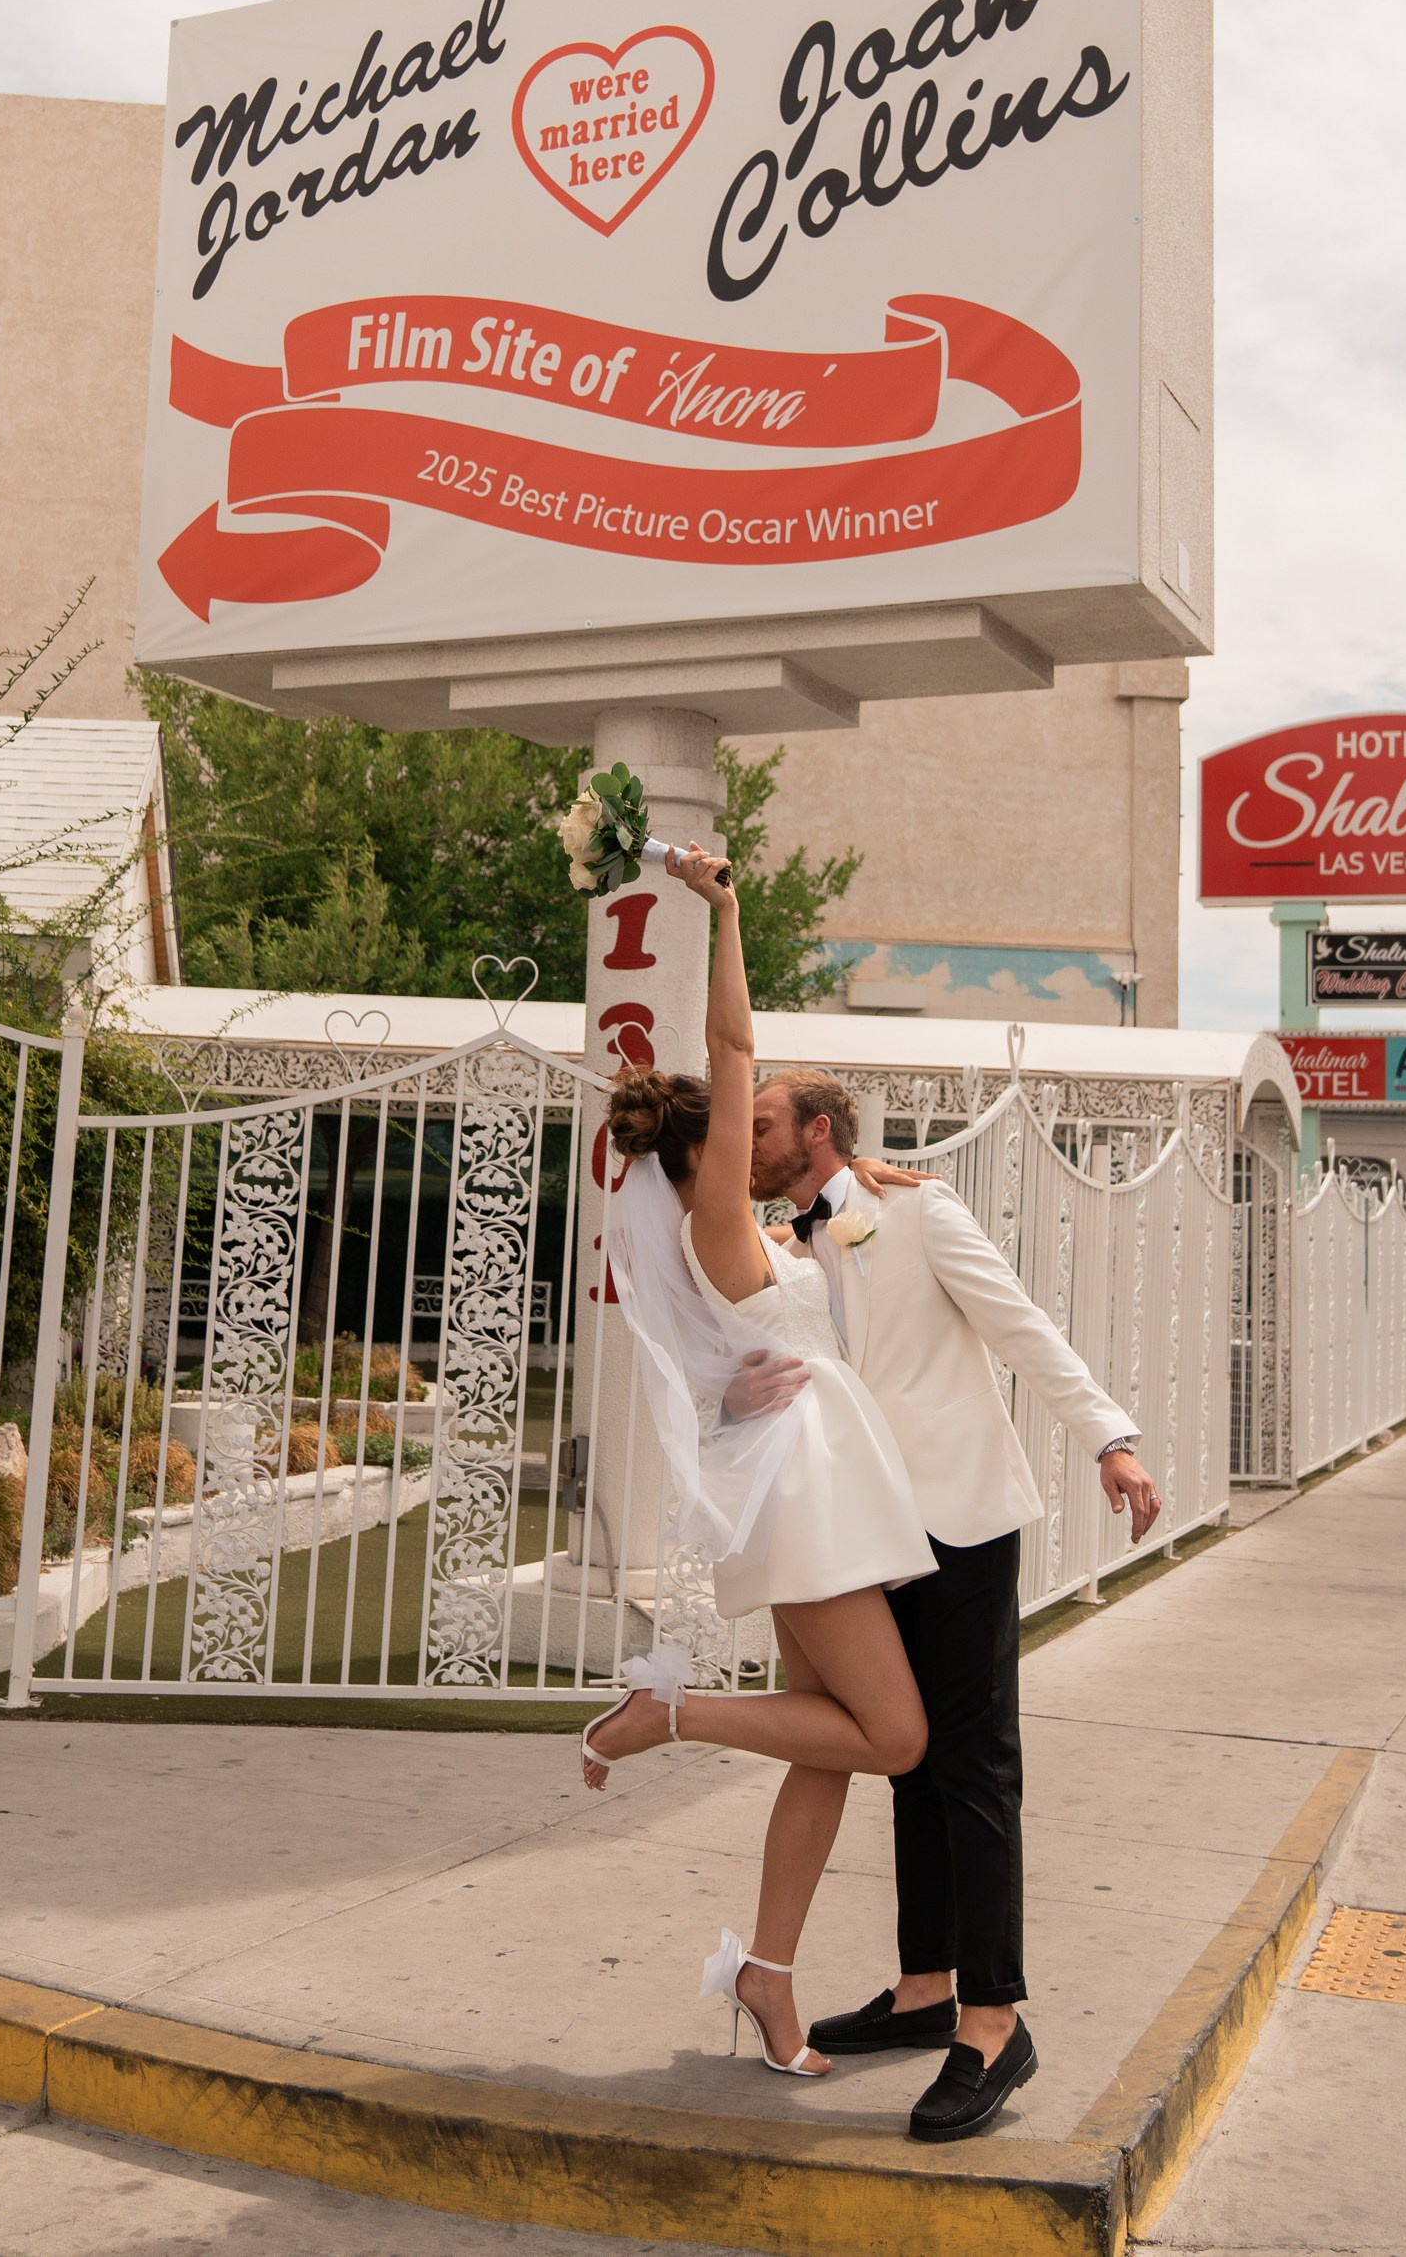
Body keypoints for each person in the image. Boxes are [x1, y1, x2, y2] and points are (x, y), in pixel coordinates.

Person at [723, 1070, 1165, 2143]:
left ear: (816, 1132)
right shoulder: (781, 1246)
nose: (747, 1139)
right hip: (859, 1534)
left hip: (961, 1522)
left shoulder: (919, 1211)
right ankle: (924, 1989)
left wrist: (1108, 1436)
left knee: (972, 1770)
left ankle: (993, 2021)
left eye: (763, 1123)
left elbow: (1019, 1327)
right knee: (901, 1762)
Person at [576, 843, 935, 2083]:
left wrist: (858, 1175)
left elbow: (801, 1226)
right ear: (706, 1154)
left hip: (803, 1468)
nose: (752, 1129)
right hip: (810, 1486)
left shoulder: (728, 1231)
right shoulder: (714, 1215)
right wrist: (722, 911)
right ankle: (662, 1715)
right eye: (738, 1129)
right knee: (893, 1737)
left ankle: (766, 1976)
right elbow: (736, 1055)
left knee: (821, 1744)